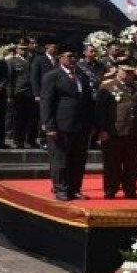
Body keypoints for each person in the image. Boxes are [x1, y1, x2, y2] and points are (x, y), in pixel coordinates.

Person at [40, 50, 94, 200]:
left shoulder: (81, 76)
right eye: (69, 56)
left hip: (81, 125)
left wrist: (91, 123)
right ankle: (61, 189)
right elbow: (46, 102)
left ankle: (75, 189)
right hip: (61, 125)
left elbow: (88, 101)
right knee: (60, 160)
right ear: (60, 58)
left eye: (74, 56)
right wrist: (49, 126)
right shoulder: (53, 76)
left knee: (78, 159)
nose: (73, 59)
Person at [94, 63, 137, 199]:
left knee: (132, 163)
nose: (129, 74)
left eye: (131, 72)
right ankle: (111, 189)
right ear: (118, 71)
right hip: (114, 131)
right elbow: (100, 111)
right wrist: (102, 130)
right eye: (126, 72)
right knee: (112, 163)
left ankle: (130, 189)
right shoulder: (108, 86)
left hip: (132, 130)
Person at [5, 40, 38, 148]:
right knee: (19, 118)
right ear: (17, 49)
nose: (24, 50)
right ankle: (18, 140)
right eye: (21, 48)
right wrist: (10, 95)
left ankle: (30, 140)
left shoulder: (32, 60)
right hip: (19, 93)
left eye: (25, 48)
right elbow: (10, 79)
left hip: (31, 93)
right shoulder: (12, 61)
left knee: (31, 118)